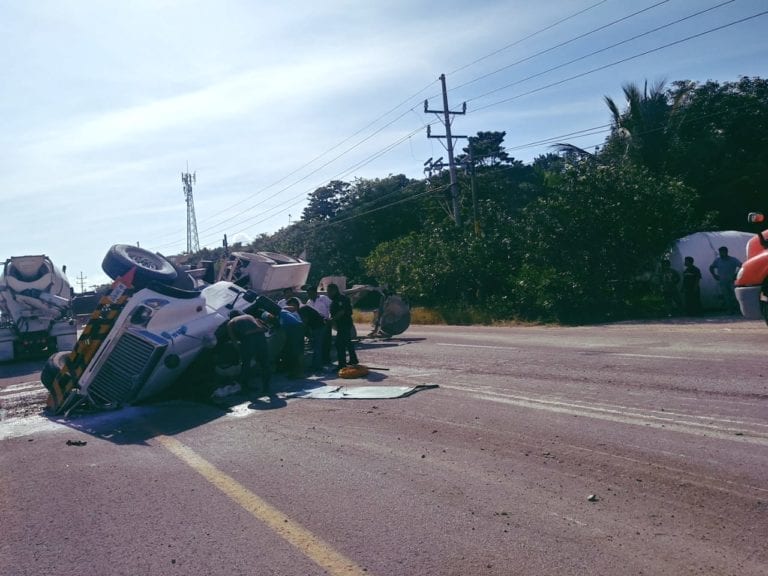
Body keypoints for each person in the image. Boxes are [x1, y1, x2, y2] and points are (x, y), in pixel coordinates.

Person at [226, 309, 271, 393]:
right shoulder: (250, 316)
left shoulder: (230, 322)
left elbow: (234, 340)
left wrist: (239, 351)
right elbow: (264, 328)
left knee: (246, 364)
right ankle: (266, 387)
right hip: (261, 338)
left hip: (247, 340)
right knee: (264, 364)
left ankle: (245, 388)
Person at [327, 283, 359, 369]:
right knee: (347, 342)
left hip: (344, 324)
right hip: (342, 324)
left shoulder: (340, 299)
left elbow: (342, 311)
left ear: (334, 290)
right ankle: (353, 360)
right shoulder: (335, 300)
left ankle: (342, 364)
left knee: (339, 344)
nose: (328, 294)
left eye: (329, 291)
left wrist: (332, 320)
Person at [709, 246, 742, 314]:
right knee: (726, 296)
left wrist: (736, 275)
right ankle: (730, 310)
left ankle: (740, 309)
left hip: (731, 281)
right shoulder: (718, 260)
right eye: (720, 252)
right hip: (722, 281)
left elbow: (741, 266)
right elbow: (711, 267)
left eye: (722, 252)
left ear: (726, 252)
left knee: (735, 295)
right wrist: (714, 275)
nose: (721, 254)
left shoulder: (733, 260)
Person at [305, 285, 332, 365]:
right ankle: (320, 360)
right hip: (315, 324)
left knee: (326, 342)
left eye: (311, 293)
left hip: (325, 321)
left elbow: (331, 307)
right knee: (317, 343)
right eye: (308, 293)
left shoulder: (323, 298)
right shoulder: (309, 302)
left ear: (315, 292)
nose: (309, 295)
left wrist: (330, 318)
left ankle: (327, 359)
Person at [298, 301, 327, 373]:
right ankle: (315, 365)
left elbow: (305, 322)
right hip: (317, 326)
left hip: (318, 327)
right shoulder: (302, 308)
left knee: (317, 347)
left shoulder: (302, 309)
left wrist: (302, 332)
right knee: (315, 347)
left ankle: (318, 366)